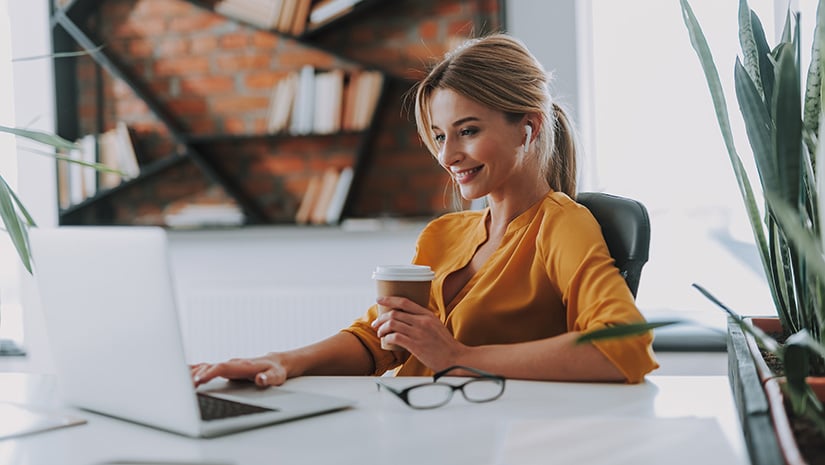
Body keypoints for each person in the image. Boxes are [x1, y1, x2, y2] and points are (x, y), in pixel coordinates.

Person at [191, 33, 659, 388]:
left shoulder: (562, 225)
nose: (447, 155)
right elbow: (382, 338)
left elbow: (623, 347)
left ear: (528, 128)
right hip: (414, 426)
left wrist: (456, 356)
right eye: (439, 135)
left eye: (468, 130)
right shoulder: (444, 235)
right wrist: (286, 361)